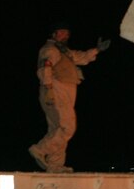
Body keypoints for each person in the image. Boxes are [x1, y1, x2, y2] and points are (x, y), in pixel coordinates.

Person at [29, 22, 110, 173]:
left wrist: (97, 50)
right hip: (56, 89)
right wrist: (49, 89)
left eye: (67, 33)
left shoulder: (64, 52)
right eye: (61, 32)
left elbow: (81, 57)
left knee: (58, 129)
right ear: (53, 34)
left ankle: (55, 165)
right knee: (67, 127)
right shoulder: (50, 50)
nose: (65, 35)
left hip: (65, 91)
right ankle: (40, 149)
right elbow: (44, 68)